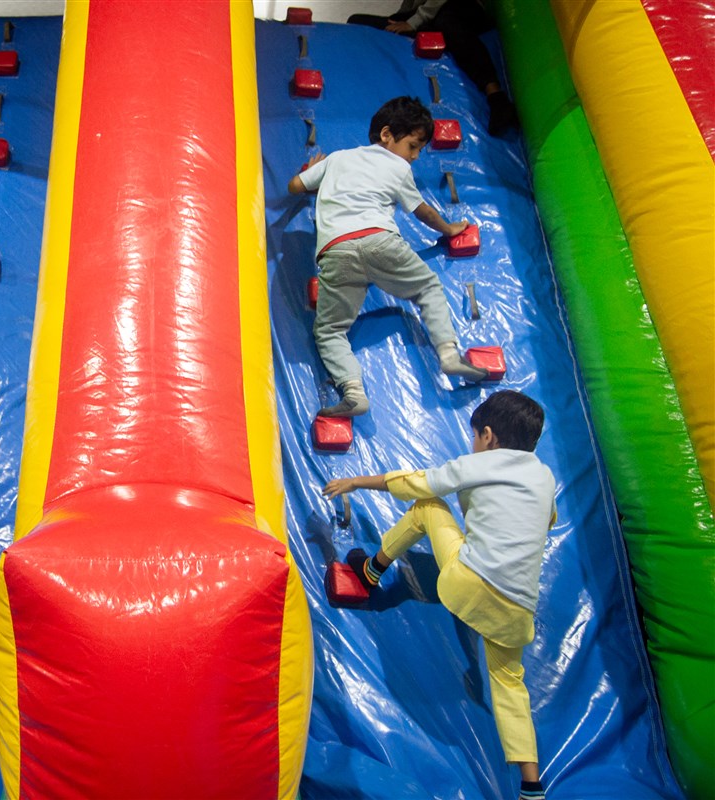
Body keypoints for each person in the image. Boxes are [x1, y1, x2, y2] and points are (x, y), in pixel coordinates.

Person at [323, 390, 556, 800]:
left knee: (428, 506)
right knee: (509, 683)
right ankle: (531, 785)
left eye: (475, 436)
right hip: (518, 610)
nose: (473, 443)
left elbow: (414, 483)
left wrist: (357, 481)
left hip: (467, 583)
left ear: (488, 436)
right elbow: (546, 520)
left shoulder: (478, 463)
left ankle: (371, 570)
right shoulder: (545, 478)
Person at [288, 96, 488, 417]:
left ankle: (353, 391)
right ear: (386, 135)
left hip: (336, 251)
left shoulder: (337, 158)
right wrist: (449, 228)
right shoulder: (398, 167)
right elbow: (422, 211)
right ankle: (449, 355)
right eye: (413, 146)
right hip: (380, 242)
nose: (415, 156)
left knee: (329, 331)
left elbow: (295, 186)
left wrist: (313, 173)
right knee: (427, 288)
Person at [347, 0, 518, 135]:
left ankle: (496, 96)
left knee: (447, 21)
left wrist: (413, 22)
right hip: (425, 15)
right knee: (358, 21)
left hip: (458, 7)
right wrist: (402, 18)